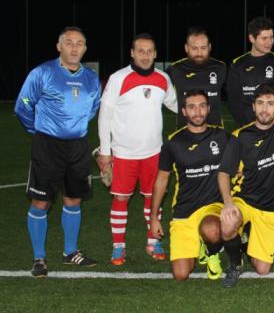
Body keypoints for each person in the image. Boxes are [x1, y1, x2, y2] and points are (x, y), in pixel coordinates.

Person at [15, 26, 101, 277]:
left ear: (85, 48)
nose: (75, 48)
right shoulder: (42, 73)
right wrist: (39, 130)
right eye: (69, 43)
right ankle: (39, 258)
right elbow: (24, 105)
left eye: (80, 43)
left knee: (73, 198)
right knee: (41, 200)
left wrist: (74, 127)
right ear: (59, 46)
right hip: (47, 146)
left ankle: (70, 252)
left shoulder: (91, 78)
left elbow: (93, 108)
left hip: (78, 146)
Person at [97, 33, 178, 265]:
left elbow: (176, 105)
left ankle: (153, 241)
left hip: (154, 152)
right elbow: (105, 115)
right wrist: (105, 151)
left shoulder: (163, 78)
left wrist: (200, 110)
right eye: (140, 51)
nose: (145, 55)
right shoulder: (118, 78)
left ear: (155, 54)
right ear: (132, 53)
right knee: (121, 198)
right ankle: (118, 246)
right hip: (123, 153)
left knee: (153, 198)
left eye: (150, 51)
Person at [217, 85, 274, 288]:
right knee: (228, 222)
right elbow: (223, 173)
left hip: (272, 209)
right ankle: (235, 263)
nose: (265, 109)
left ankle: (246, 239)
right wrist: (228, 203)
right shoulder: (241, 136)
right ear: (253, 107)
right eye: (260, 104)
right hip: (246, 199)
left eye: (270, 104)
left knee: (263, 269)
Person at [149, 90, 231, 281]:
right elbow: (162, 179)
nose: (198, 112)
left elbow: (249, 141)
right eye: (192, 107)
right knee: (181, 274)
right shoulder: (173, 142)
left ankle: (212, 251)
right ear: (184, 111)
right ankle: (201, 243)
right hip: (184, 210)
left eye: (202, 106)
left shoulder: (222, 137)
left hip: (213, 207)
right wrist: (154, 216)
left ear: (208, 109)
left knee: (211, 228)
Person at [228, 17, 274, 126]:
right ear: (252, 38)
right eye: (264, 38)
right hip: (248, 128)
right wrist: (250, 126)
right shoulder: (237, 64)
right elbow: (233, 102)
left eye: (271, 37)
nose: (269, 42)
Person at [166, 27, 227, 128]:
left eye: (203, 48)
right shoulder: (175, 69)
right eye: (194, 48)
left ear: (210, 47)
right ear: (186, 48)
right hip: (185, 132)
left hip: (215, 132)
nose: (199, 53)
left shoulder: (221, 68)